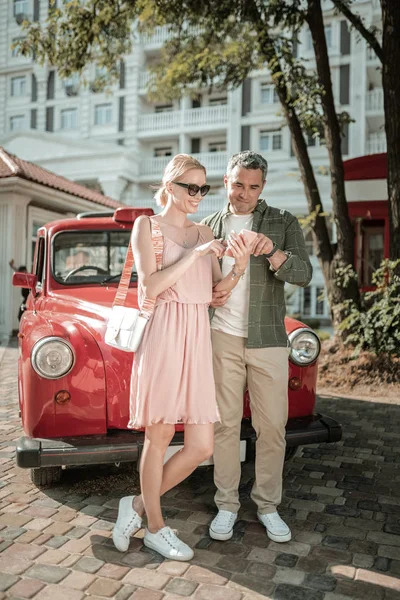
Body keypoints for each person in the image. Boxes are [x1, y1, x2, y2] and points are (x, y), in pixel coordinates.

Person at [112, 154, 253, 561]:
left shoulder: (203, 231)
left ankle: (136, 505)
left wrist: (238, 266)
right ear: (169, 187)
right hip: (162, 338)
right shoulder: (147, 227)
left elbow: (215, 293)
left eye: (203, 188)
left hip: (196, 337)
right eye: (191, 187)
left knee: (201, 446)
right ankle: (156, 527)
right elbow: (150, 287)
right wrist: (194, 254)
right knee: (157, 439)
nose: (198, 195)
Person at [203, 151, 313, 543]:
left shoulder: (283, 223)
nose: (243, 194)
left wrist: (272, 251)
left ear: (262, 187)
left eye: (252, 186)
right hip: (222, 338)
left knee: (272, 427)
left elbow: (303, 273)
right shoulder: (208, 227)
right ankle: (227, 505)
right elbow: (195, 283)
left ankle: (267, 505)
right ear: (226, 182)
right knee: (225, 425)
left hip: (268, 339)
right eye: (237, 184)